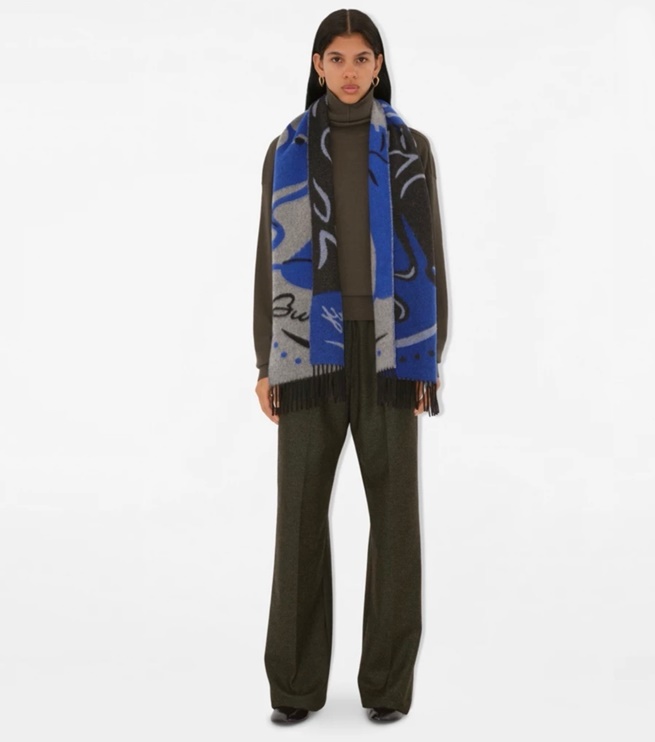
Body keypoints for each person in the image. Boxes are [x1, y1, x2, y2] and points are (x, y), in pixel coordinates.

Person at [252, 8, 448, 725]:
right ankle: (294, 687)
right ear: (317, 65)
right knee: (299, 519)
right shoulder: (286, 149)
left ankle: (387, 688)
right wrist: (265, 359)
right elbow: (267, 258)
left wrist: (429, 357)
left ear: (379, 64)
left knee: (395, 523)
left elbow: (431, 254)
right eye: (335, 58)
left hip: (393, 353)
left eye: (362, 58)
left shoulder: (411, 147)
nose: (349, 71)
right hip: (309, 353)